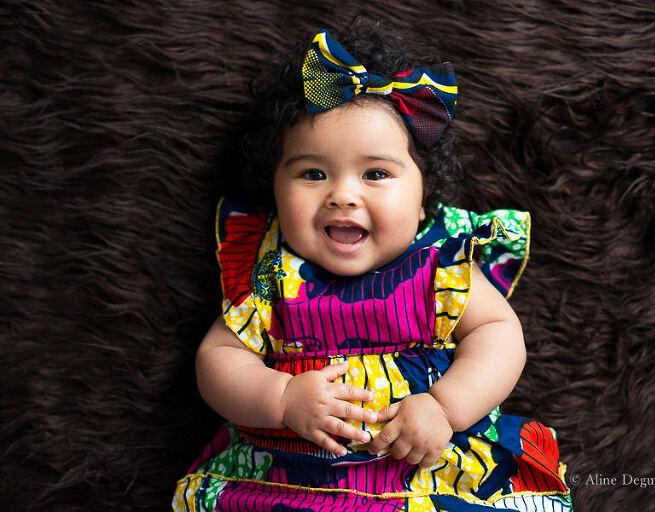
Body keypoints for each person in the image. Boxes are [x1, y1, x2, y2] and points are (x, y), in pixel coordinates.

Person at [173, 25, 572, 512]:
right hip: (287, 480)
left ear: (424, 193)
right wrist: (280, 396)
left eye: (376, 174)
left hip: (425, 474)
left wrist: (446, 406)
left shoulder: (440, 262)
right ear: (274, 187)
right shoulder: (269, 273)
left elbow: (498, 334)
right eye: (312, 173)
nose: (342, 194)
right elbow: (217, 357)